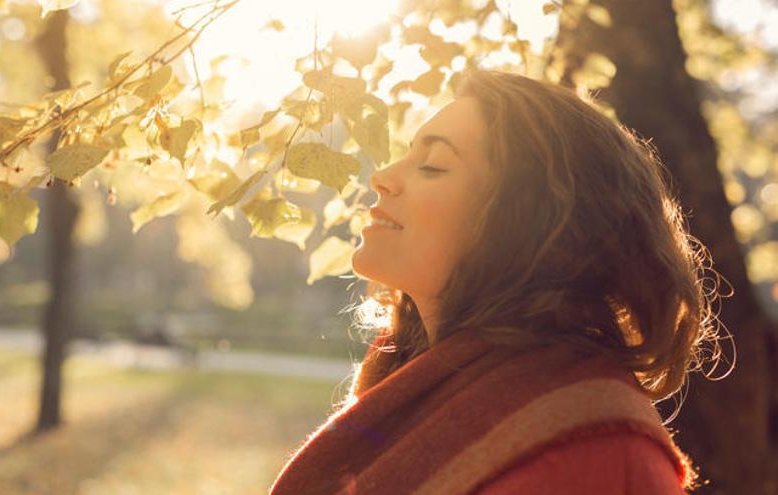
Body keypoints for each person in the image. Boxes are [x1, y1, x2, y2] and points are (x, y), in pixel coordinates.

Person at [268, 69, 732, 494]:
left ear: (527, 220)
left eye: (432, 165)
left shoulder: (593, 447)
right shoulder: (404, 390)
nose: (382, 178)